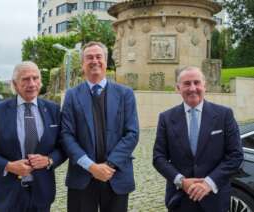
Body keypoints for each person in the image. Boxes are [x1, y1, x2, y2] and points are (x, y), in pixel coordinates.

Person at [0, 61, 66, 212]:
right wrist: (9, 166)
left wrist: (49, 160)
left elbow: (63, 147)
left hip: (42, 195)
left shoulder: (53, 110)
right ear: (14, 84)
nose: (32, 83)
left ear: (41, 81)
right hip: (7, 196)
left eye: (35, 78)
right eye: (26, 79)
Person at [61, 41, 139, 212]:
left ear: (106, 61)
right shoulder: (72, 96)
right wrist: (91, 166)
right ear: (83, 64)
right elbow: (66, 135)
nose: (94, 61)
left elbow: (132, 134)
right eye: (89, 57)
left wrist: (108, 166)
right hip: (82, 176)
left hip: (116, 176)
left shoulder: (125, 94)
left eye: (99, 57)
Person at [152, 66, 243, 212]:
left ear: (204, 86)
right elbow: (158, 157)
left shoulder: (224, 115)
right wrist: (181, 181)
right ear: (178, 88)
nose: (193, 88)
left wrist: (208, 183)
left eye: (197, 82)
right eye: (187, 83)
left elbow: (235, 155)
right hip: (180, 199)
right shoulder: (166, 118)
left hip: (215, 199)